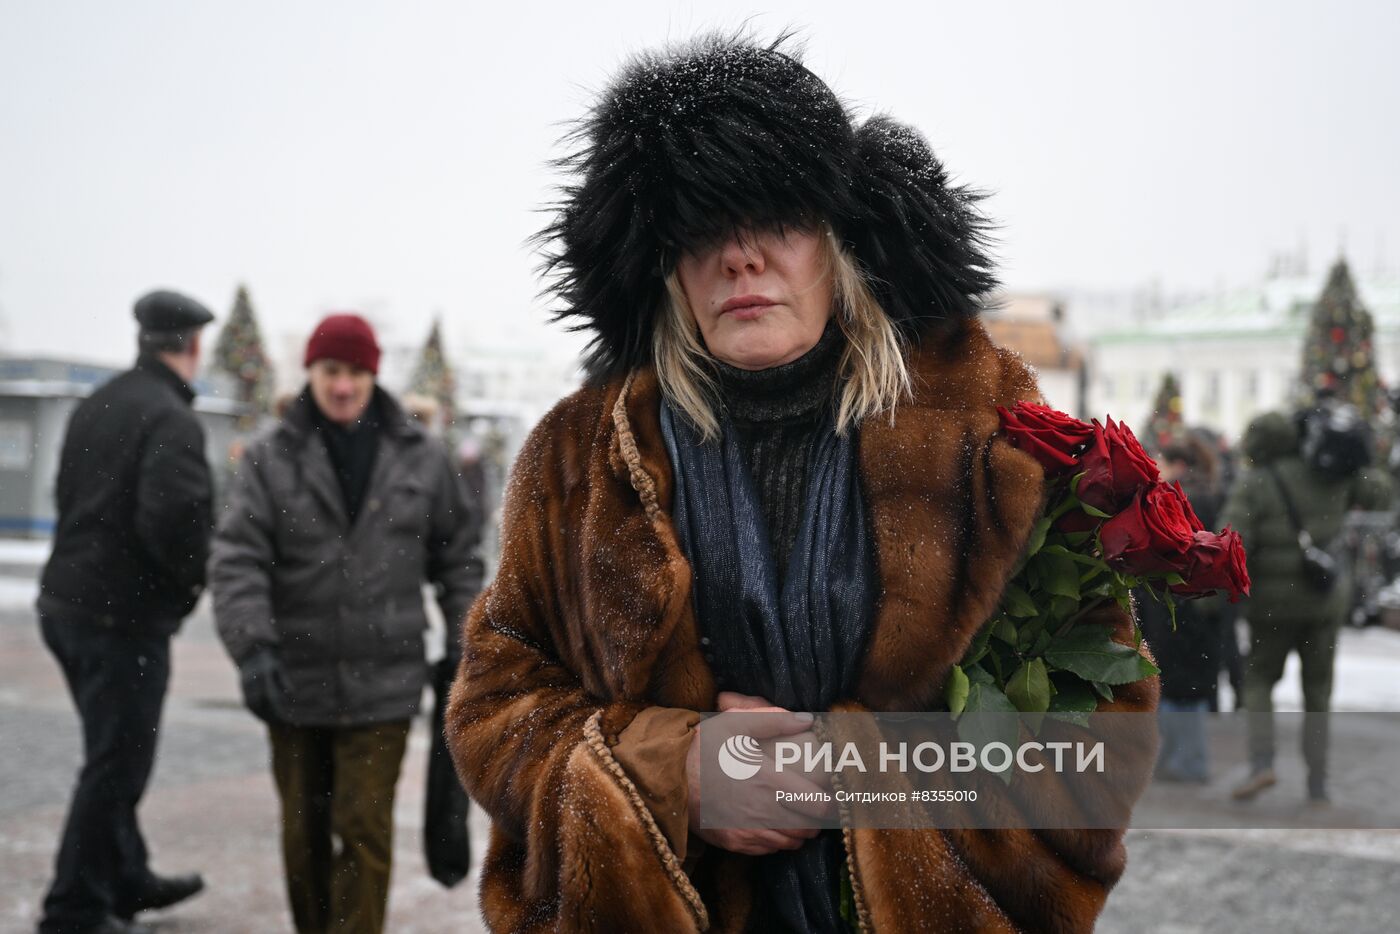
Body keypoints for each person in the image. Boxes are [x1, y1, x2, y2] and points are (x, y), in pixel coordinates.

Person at [444, 34, 1158, 933]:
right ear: (666, 266)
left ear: (837, 240)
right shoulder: (579, 458)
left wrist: (858, 776)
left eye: (775, 218)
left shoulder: (982, 426)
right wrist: (674, 771)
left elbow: (1100, 716)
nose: (740, 259)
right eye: (703, 229)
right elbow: (494, 708)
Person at [209, 313, 484, 934]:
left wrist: (467, 643)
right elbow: (237, 561)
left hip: (384, 683)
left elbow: (460, 559)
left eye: (356, 372)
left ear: (373, 375)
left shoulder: (421, 456)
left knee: (364, 832)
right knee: (304, 839)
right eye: (332, 371)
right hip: (294, 681)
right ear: (310, 372)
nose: (343, 386)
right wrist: (253, 650)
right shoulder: (269, 458)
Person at [36, 290, 215, 934]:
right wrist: (186, 589)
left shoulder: (98, 403)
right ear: (193, 344)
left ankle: (126, 875)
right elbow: (175, 521)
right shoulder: (172, 419)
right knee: (117, 764)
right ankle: (74, 907)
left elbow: (68, 494)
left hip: (65, 606)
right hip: (122, 618)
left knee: (109, 752)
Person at [1223, 406, 1390, 803]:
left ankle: (1263, 764)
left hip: (1270, 607)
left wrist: (1217, 601)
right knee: (1318, 691)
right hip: (1324, 603)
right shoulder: (1332, 473)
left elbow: (1232, 542)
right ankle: (1318, 781)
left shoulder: (1257, 482)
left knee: (1260, 679)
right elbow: (1379, 490)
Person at [1139, 437, 1225, 782]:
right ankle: (1184, 759)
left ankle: (1188, 762)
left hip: (1175, 605)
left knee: (1175, 685)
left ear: (1180, 465)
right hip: (1200, 607)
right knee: (1189, 686)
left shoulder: (1179, 501)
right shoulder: (1213, 497)